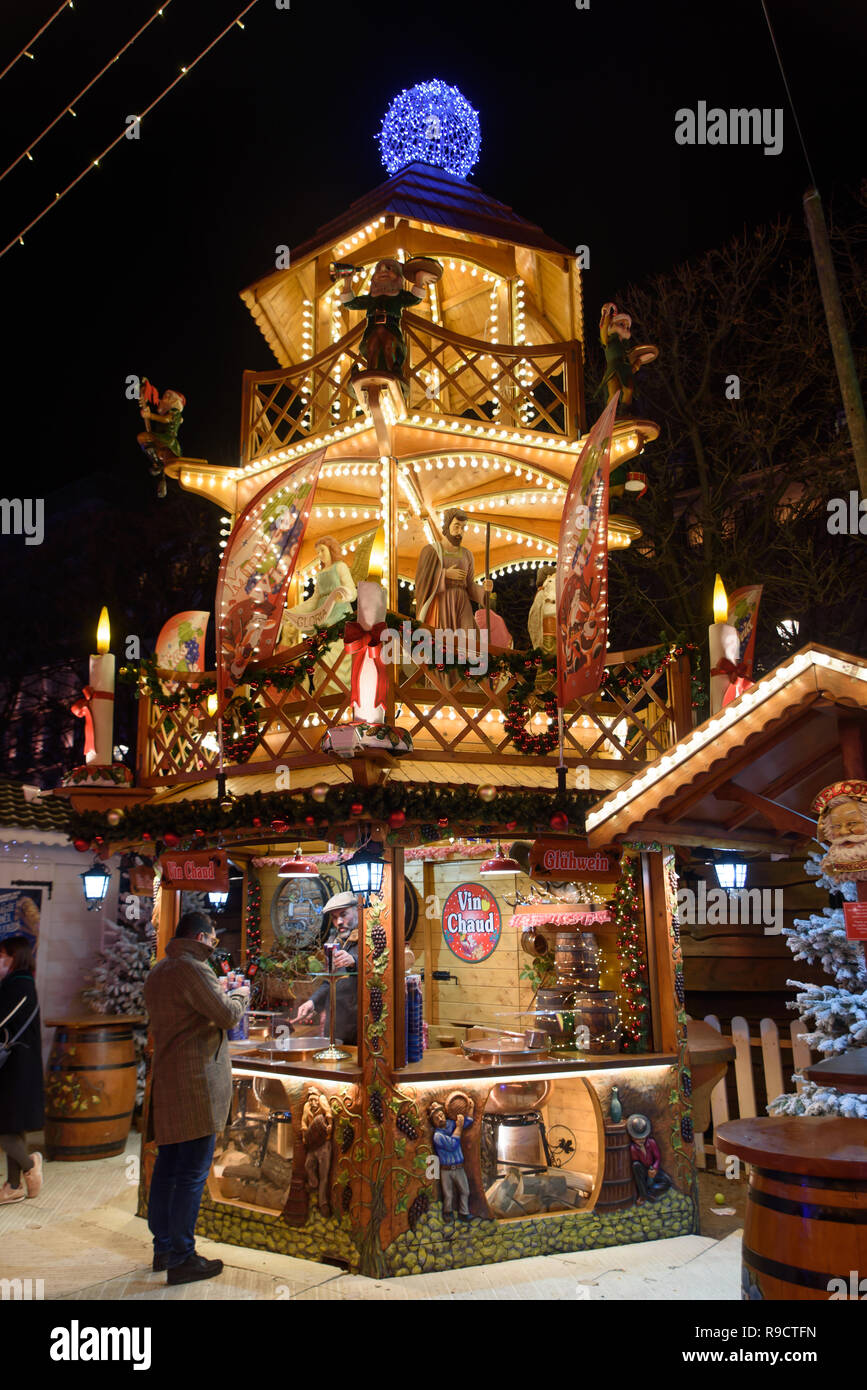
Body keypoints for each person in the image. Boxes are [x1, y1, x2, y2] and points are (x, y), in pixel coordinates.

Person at [143, 910, 249, 1285]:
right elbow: (225, 1015)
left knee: (168, 1168)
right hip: (197, 1085)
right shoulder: (193, 969)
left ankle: (164, 1247)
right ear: (202, 937)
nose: (214, 944)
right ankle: (183, 1257)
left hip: (169, 1082)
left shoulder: (159, 970)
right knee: (191, 1173)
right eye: (213, 939)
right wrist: (240, 992)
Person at [0, 935, 44, 1204]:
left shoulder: (20, 985)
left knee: (5, 1126)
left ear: (15, 957)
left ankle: (30, 1164)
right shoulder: (14, 984)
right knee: (12, 1126)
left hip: (17, 1066)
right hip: (14, 1065)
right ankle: (13, 1186)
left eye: (3, 955)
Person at [293, 892, 359, 1044]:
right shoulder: (334, 941)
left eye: (343, 915)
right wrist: (313, 1002)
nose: (339, 922)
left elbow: (379, 972)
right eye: (334, 918)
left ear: (357, 911)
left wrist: (354, 961)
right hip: (335, 1025)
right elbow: (329, 981)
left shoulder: (369, 938)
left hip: (360, 1025)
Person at [414, 508, 493, 632]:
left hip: (462, 604)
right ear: (447, 525)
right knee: (445, 643)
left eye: (463, 527)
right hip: (441, 603)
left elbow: (470, 585)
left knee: (469, 643)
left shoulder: (467, 555)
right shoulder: (431, 551)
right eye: (456, 526)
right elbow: (422, 580)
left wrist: (485, 590)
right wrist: (445, 574)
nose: (460, 532)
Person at [428, 1097, 475, 1221]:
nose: (440, 1119)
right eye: (436, 1118)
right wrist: (459, 1128)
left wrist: (470, 1108)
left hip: (459, 1167)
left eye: (441, 1115)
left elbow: (468, 1121)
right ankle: (447, 1213)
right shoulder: (437, 1136)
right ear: (433, 1122)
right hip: (446, 1170)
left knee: (465, 1191)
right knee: (448, 1194)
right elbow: (452, 1144)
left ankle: (463, 1213)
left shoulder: (451, 1124)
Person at [626, 1113, 672, 1204]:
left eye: (643, 1137)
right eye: (637, 1138)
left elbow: (657, 1157)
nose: (641, 1140)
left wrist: (654, 1168)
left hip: (652, 1169)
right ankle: (643, 1195)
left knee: (667, 1181)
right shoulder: (633, 1148)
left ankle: (650, 1193)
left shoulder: (651, 1143)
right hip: (643, 1171)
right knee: (636, 1165)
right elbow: (637, 1162)